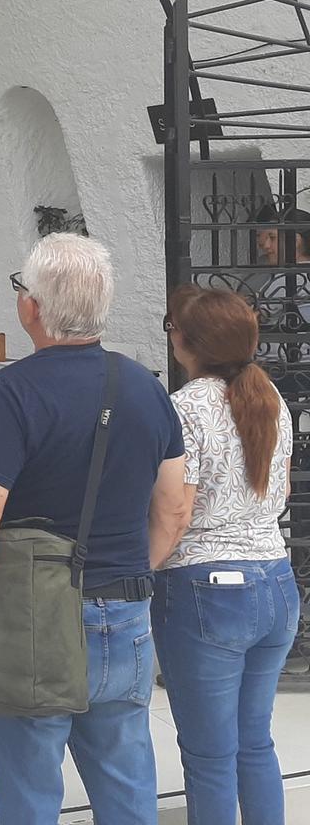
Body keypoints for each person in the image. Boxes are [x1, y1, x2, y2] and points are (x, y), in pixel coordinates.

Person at [0, 233, 187, 825]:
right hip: (123, 613)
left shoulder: (14, 390)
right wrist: (127, 571)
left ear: (33, 307)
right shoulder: (146, 388)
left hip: (31, 618)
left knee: (27, 790)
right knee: (127, 787)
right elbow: (174, 508)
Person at [150, 286, 297, 825]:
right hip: (276, 580)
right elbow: (279, 490)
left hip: (205, 590)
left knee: (210, 756)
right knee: (254, 742)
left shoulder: (184, 407)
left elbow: (175, 512)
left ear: (186, 342)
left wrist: (141, 571)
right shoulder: (270, 398)